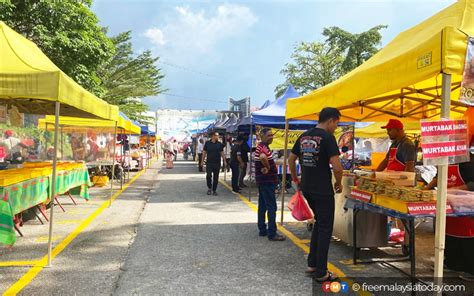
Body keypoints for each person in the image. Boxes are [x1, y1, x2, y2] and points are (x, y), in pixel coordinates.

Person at [288, 107, 343, 282]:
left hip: (307, 188)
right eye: (336, 123)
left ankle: (312, 264)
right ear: (330, 120)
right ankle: (321, 272)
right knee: (326, 228)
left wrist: (296, 179)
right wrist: (339, 182)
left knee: (319, 224)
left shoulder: (304, 136)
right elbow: (337, 167)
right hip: (323, 189)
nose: (336, 127)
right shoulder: (328, 138)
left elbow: (291, 159)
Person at [255, 128, 286, 242]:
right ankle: (272, 233)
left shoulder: (263, 147)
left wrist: (272, 164)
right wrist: (268, 167)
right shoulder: (263, 147)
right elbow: (263, 157)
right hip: (267, 181)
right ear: (262, 136)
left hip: (263, 181)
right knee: (271, 207)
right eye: (268, 135)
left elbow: (265, 158)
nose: (271, 137)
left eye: (272, 135)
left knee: (263, 206)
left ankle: (262, 229)